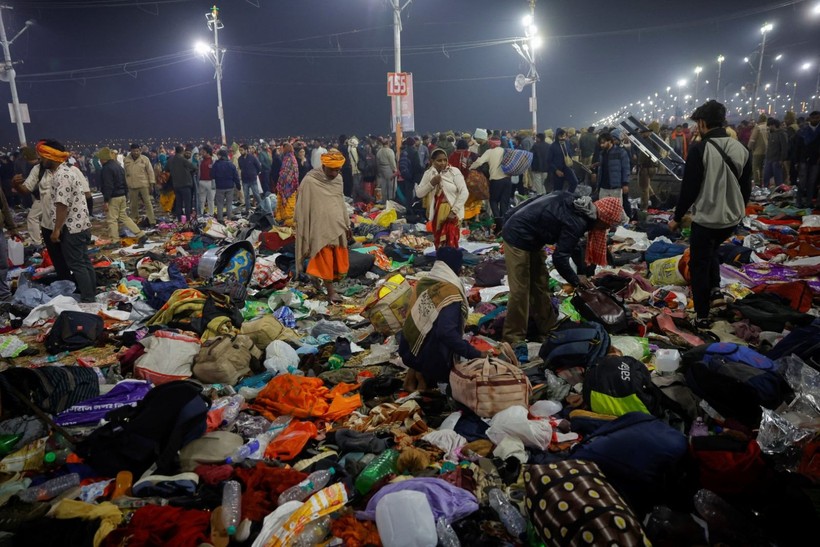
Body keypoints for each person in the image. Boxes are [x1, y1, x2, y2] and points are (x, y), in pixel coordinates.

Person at [501, 193, 625, 358]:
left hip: (534, 238)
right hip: (516, 235)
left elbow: (572, 245)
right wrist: (575, 280)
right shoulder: (578, 220)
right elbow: (560, 258)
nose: (606, 229)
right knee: (521, 290)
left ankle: (547, 329)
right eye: (608, 225)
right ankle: (513, 338)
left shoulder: (581, 205)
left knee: (540, 284)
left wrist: (581, 273)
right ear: (603, 219)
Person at [669, 100, 752, 330]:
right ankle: (716, 290)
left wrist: (677, 217)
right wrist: (739, 211)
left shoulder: (700, 149)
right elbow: (746, 187)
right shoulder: (742, 149)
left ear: (703, 123)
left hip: (706, 218)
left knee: (699, 262)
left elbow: (690, 188)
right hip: (731, 219)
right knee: (713, 250)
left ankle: (703, 313)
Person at [398, 247, 484, 391]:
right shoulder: (449, 292)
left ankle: (415, 374)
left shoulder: (424, 282)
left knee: (429, 328)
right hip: (428, 360)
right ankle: (424, 380)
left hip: (407, 350)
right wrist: (475, 354)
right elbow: (446, 333)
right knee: (449, 345)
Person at [42, 140, 97, 303]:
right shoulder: (68, 172)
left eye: (43, 157)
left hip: (72, 228)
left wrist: (56, 229)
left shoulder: (62, 175)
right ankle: (91, 293)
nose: (41, 160)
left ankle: (88, 298)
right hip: (80, 226)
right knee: (84, 262)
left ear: (52, 157)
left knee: (77, 264)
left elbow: (62, 205)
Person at [295, 149, 351, 303]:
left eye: (337, 170)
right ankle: (331, 292)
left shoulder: (338, 179)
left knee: (335, 258)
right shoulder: (310, 180)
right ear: (324, 166)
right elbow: (302, 205)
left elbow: (340, 201)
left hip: (337, 223)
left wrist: (347, 224)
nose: (334, 173)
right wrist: (303, 224)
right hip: (319, 226)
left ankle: (320, 281)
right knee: (324, 256)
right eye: (332, 169)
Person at [416, 148, 469, 249]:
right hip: (436, 214)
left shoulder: (454, 171)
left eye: (445, 160)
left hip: (453, 214)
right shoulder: (429, 174)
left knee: (451, 242)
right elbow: (419, 193)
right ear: (432, 161)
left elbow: (464, 192)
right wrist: (432, 183)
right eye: (439, 160)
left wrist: (454, 211)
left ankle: (450, 263)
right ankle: (441, 261)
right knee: (439, 242)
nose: (443, 163)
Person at [98, 147, 147, 244]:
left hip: (113, 197)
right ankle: (140, 234)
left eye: (100, 159)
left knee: (112, 220)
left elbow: (108, 186)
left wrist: (106, 200)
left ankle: (114, 241)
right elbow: (125, 182)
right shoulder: (118, 166)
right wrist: (125, 194)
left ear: (103, 159)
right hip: (122, 196)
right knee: (124, 217)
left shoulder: (106, 169)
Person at [470, 138, 510, 234]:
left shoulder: (489, 151)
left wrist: (470, 167)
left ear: (490, 144)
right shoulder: (505, 150)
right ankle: (505, 225)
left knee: (493, 200)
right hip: (508, 180)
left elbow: (479, 162)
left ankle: (498, 223)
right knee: (504, 202)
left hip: (496, 180)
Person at [123, 143, 156, 226]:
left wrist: (151, 184)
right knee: (133, 204)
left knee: (147, 203)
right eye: (134, 151)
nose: (136, 153)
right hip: (132, 185)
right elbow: (125, 173)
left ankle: (152, 220)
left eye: (137, 151)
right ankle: (134, 220)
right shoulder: (126, 160)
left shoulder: (145, 159)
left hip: (143, 184)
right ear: (131, 151)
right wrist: (126, 183)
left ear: (140, 150)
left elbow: (150, 172)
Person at [596, 132, 631, 205]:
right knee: (602, 208)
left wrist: (625, 183)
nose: (601, 145)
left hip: (615, 186)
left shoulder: (621, 152)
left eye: (603, 143)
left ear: (609, 141)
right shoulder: (602, 153)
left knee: (616, 208)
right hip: (603, 186)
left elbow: (626, 168)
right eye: (600, 143)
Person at [795, 110, 820, 209]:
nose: (816, 120)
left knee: (812, 182)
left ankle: (809, 202)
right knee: (802, 182)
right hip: (803, 160)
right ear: (810, 118)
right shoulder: (803, 131)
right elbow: (797, 147)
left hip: (815, 160)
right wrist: (796, 161)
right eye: (814, 118)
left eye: (817, 118)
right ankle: (799, 201)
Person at [165, 145, 196, 220]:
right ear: (182, 151)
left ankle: (179, 220)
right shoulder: (183, 159)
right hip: (185, 185)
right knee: (187, 204)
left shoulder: (170, 160)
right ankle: (188, 220)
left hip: (176, 185)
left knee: (178, 204)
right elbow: (193, 167)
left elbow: (166, 169)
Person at [547, 128, 579, 193]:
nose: (563, 138)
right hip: (557, 169)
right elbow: (548, 160)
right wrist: (556, 170)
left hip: (567, 167)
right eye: (561, 136)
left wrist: (571, 164)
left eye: (564, 136)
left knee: (574, 182)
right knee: (558, 190)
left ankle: (568, 197)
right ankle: (559, 202)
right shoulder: (552, 146)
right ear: (557, 136)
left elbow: (570, 153)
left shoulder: (567, 143)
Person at [212, 149, 240, 223]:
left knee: (220, 204)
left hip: (219, 187)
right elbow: (236, 177)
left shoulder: (216, 164)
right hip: (230, 187)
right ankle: (229, 218)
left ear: (220, 156)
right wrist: (238, 185)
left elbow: (212, 175)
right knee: (229, 203)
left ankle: (220, 219)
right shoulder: (231, 165)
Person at [275, 143, 300, 227]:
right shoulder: (293, 158)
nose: (281, 150)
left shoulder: (288, 158)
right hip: (292, 186)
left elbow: (284, 173)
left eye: (282, 148)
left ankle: (287, 222)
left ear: (286, 149)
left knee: (288, 207)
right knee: (290, 205)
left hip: (287, 187)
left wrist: (281, 183)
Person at [237, 144, 263, 216]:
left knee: (256, 194)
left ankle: (261, 208)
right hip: (245, 180)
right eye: (240, 150)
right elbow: (241, 168)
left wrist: (255, 174)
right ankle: (247, 209)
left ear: (246, 150)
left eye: (242, 150)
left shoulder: (252, 158)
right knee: (246, 196)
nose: (240, 151)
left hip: (252, 179)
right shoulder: (240, 159)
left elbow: (259, 167)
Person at [763, 119, 788, 188]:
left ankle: (779, 191)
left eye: (769, 126)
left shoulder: (782, 134)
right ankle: (766, 189)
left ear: (773, 125)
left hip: (777, 160)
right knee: (766, 176)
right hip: (769, 158)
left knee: (778, 178)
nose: (768, 127)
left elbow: (784, 147)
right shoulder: (771, 134)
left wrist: (782, 159)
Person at [747, 114, 769, 185]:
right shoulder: (768, 127)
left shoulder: (758, 128)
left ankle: (757, 183)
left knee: (756, 167)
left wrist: (748, 148)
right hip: (767, 151)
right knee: (763, 168)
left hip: (757, 151)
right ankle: (764, 182)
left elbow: (752, 140)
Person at [376, 138, 397, 203]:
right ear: (388, 143)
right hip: (388, 168)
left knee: (384, 186)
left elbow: (377, 161)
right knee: (391, 186)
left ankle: (384, 200)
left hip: (381, 169)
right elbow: (392, 161)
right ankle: (391, 200)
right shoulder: (390, 151)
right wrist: (395, 170)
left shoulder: (379, 151)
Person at [196, 145, 215, 216]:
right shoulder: (200, 161)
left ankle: (211, 214)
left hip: (211, 182)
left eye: (203, 152)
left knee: (211, 200)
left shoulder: (214, 160)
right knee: (201, 200)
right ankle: (201, 213)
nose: (202, 153)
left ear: (208, 153)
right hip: (201, 182)